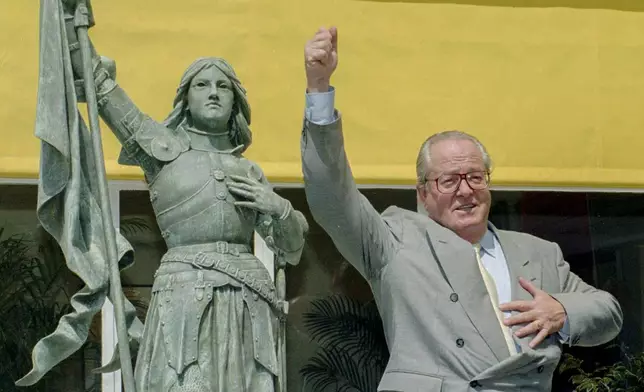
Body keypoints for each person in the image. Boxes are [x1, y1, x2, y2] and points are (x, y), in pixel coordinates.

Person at [300, 27, 623, 391]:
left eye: (475, 177)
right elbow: (331, 197)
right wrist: (319, 90)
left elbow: (608, 312)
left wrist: (563, 312)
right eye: (449, 181)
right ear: (422, 193)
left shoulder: (538, 252)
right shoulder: (394, 241)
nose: (465, 191)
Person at [60, 4, 308, 392]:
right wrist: (68, 21)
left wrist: (279, 208)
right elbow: (101, 89)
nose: (213, 93)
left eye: (223, 86)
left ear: (235, 102)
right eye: (202, 85)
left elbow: (291, 249)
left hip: (248, 305)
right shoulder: (161, 148)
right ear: (185, 99)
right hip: (184, 301)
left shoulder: (251, 172)